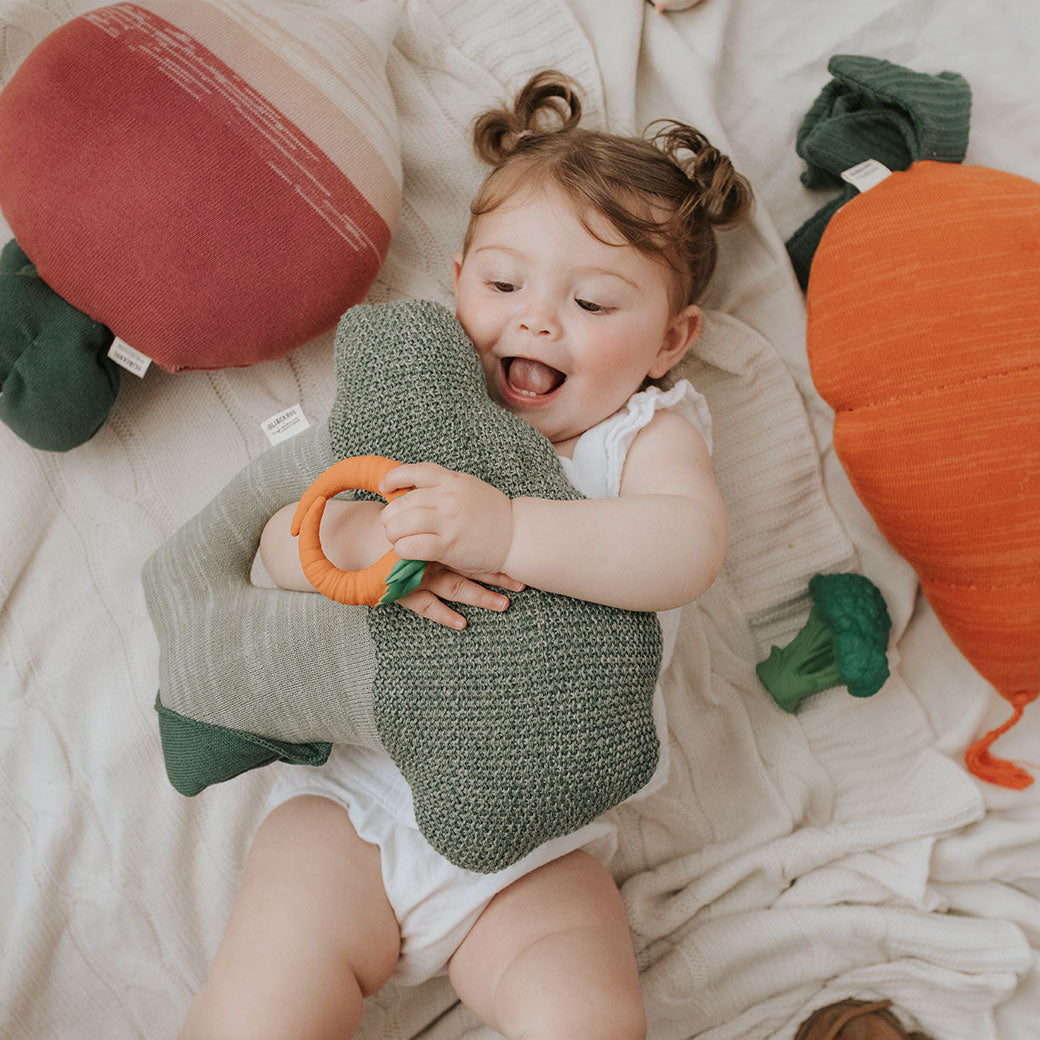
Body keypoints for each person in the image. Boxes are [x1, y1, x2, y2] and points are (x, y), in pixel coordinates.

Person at [180, 70, 752, 1040]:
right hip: (354, 804)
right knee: (261, 1008)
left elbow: (682, 547)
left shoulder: (638, 434)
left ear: (671, 338)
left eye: (594, 302)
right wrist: (364, 541)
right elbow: (279, 536)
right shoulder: (416, 408)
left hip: (537, 845)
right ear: (456, 286)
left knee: (585, 1014)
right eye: (502, 284)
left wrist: (508, 531)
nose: (534, 318)